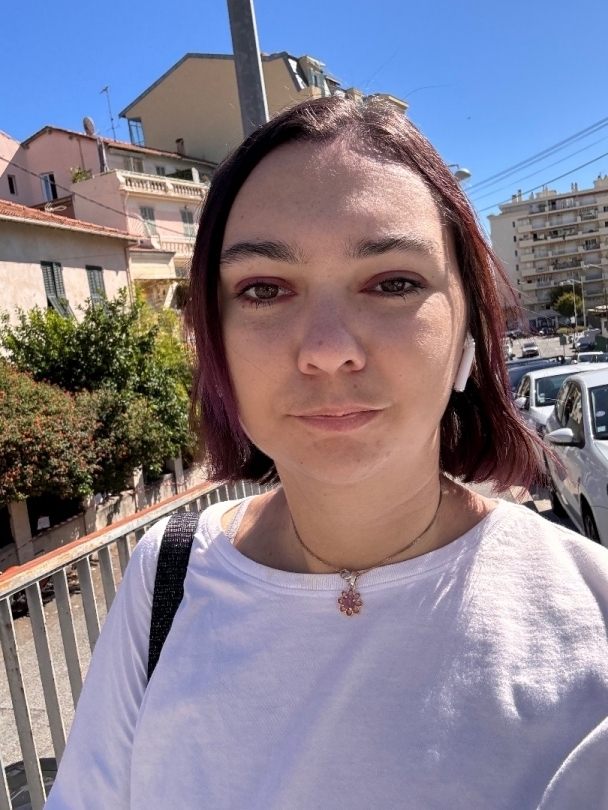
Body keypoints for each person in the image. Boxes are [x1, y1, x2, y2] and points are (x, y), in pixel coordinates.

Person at [46, 98, 608, 810]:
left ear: (470, 324)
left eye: (394, 283)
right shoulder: (168, 576)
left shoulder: (590, 619)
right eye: (263, 290)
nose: (327, 350)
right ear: (215, 337)